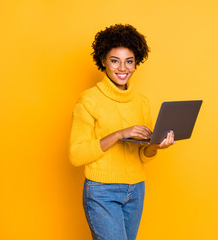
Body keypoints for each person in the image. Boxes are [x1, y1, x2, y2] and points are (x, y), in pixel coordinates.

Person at [69, 24, 175, 240]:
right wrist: (119, 134)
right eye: (114, 60)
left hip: (136, 189)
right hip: (102, 191)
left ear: (136, 63)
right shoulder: (89, 100)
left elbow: (143, 156)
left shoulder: (141, 102)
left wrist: (156, 145)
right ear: (103, 62)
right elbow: (76, 155)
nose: (122, 68)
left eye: (129, 61)